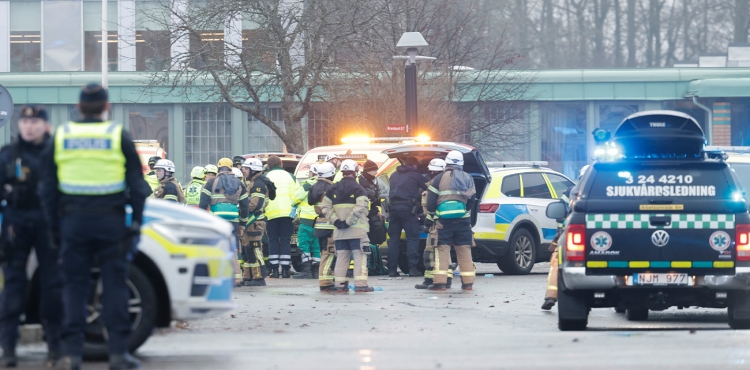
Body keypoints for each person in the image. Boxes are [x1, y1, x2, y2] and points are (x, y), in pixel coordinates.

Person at [39, 83, 150, 370]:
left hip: (72, 223)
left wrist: (54, 227)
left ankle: (72, 355)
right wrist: (135, 223)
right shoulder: (117, 135)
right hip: (110, 222)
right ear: (106, 107)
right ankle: (117, 354)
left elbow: (47, 188)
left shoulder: (62, 135)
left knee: (74, 287)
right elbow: (138, 186)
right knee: (115, 286)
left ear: (78, 107)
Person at [0, 106, 62, 368]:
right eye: (25, 121)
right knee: (13, 287)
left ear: (45, 126)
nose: (29, 126)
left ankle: (55, 348)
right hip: (16, 225)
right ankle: (9, 348)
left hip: (48, 225)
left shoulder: (58, 154)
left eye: (35, 121)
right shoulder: (8, 155)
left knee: (52, 288)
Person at [424, 150, 477, 291]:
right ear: (461, 164)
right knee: (464, 250)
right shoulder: (467, 177)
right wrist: (464, 210)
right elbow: (472, 199)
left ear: (447, 162)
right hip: (463, 221)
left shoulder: (439, 178)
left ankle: (440, 284)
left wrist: (430, 216)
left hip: (443, 221)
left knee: (442, 250)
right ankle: (468, 284)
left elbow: (430, 202)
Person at [321, 159, 373, 292]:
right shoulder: (359, 188)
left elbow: (325, 208)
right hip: (357, 232)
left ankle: (340, 285)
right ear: (355, 171)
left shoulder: (333, 188)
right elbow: (360, 207)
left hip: (340, 232)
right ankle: (361, 285)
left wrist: (336, 222)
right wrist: (348, 222)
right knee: (360, 257)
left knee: (342, 259)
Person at [541, 165, 585, 310]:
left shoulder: (571, 192)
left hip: (573, 234)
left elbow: (560, 213)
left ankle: (551, 296)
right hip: (602, 238)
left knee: (557, 263)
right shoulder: (607, 190)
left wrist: (561, 231)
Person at [415, 158, 453, 290]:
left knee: (431, 252)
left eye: (433, 173)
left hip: (435, 223)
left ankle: (431, 279)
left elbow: (431, 206)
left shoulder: (435, 187)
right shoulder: (447, 185)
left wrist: (427, 222)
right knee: (442, 251)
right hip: (443, 222)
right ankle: (445, 278)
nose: (432, 175)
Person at [386, 156, 427, 277]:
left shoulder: (393, 175)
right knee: (412, 238)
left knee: (394, 239)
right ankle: (413, 268)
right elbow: (429, 187)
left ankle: (392, 270)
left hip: (393, 209)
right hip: (408, 210)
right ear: (415, 165)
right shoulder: (415, 175)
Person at [239, 158, 275, 286]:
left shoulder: (258, 184)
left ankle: (259, 278)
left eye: (246, 168)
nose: (243, 171)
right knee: (247, 249)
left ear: (253, 170)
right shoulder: (253, 182)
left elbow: (255, 204)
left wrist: (241, 209)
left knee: (255, 249)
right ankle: (249, 276)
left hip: (255, 221)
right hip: (251, 221)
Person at [199, 158, 250, 249]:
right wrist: (242, 224)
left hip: (216, 220)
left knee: (216, 247)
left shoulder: (211, 182)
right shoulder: (239, 183)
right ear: (231, 169)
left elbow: (203, 203)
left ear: (218, 169)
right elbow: (245, 206)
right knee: (233, 248)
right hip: (233, 221)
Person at [264, 155, 298, 278]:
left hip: (271, 213)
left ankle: (273, 270)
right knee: (285, 240)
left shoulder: (266, 177)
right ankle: (285, 270)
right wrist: (294, 213)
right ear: (281, 164)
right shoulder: (290, 176)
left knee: (272, 240)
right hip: (287, 213)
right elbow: (297, 195)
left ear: (269, 165)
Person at [308, 162, 337, 292]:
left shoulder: (313, 187)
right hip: (330, 225)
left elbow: (310, 202)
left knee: (324, 252)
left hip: (319, 224)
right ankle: (326, 281)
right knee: (329, 254)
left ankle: (328, 278)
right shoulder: (332, 188)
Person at [292, 164, 320, 279]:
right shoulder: (327, 185)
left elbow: (295, 199)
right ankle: (316, 271)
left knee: (304, 245)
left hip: (306, 221)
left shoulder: (307, 185)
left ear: (312, 173)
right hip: (320, 222)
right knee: (316, 246)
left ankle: (306, 270)